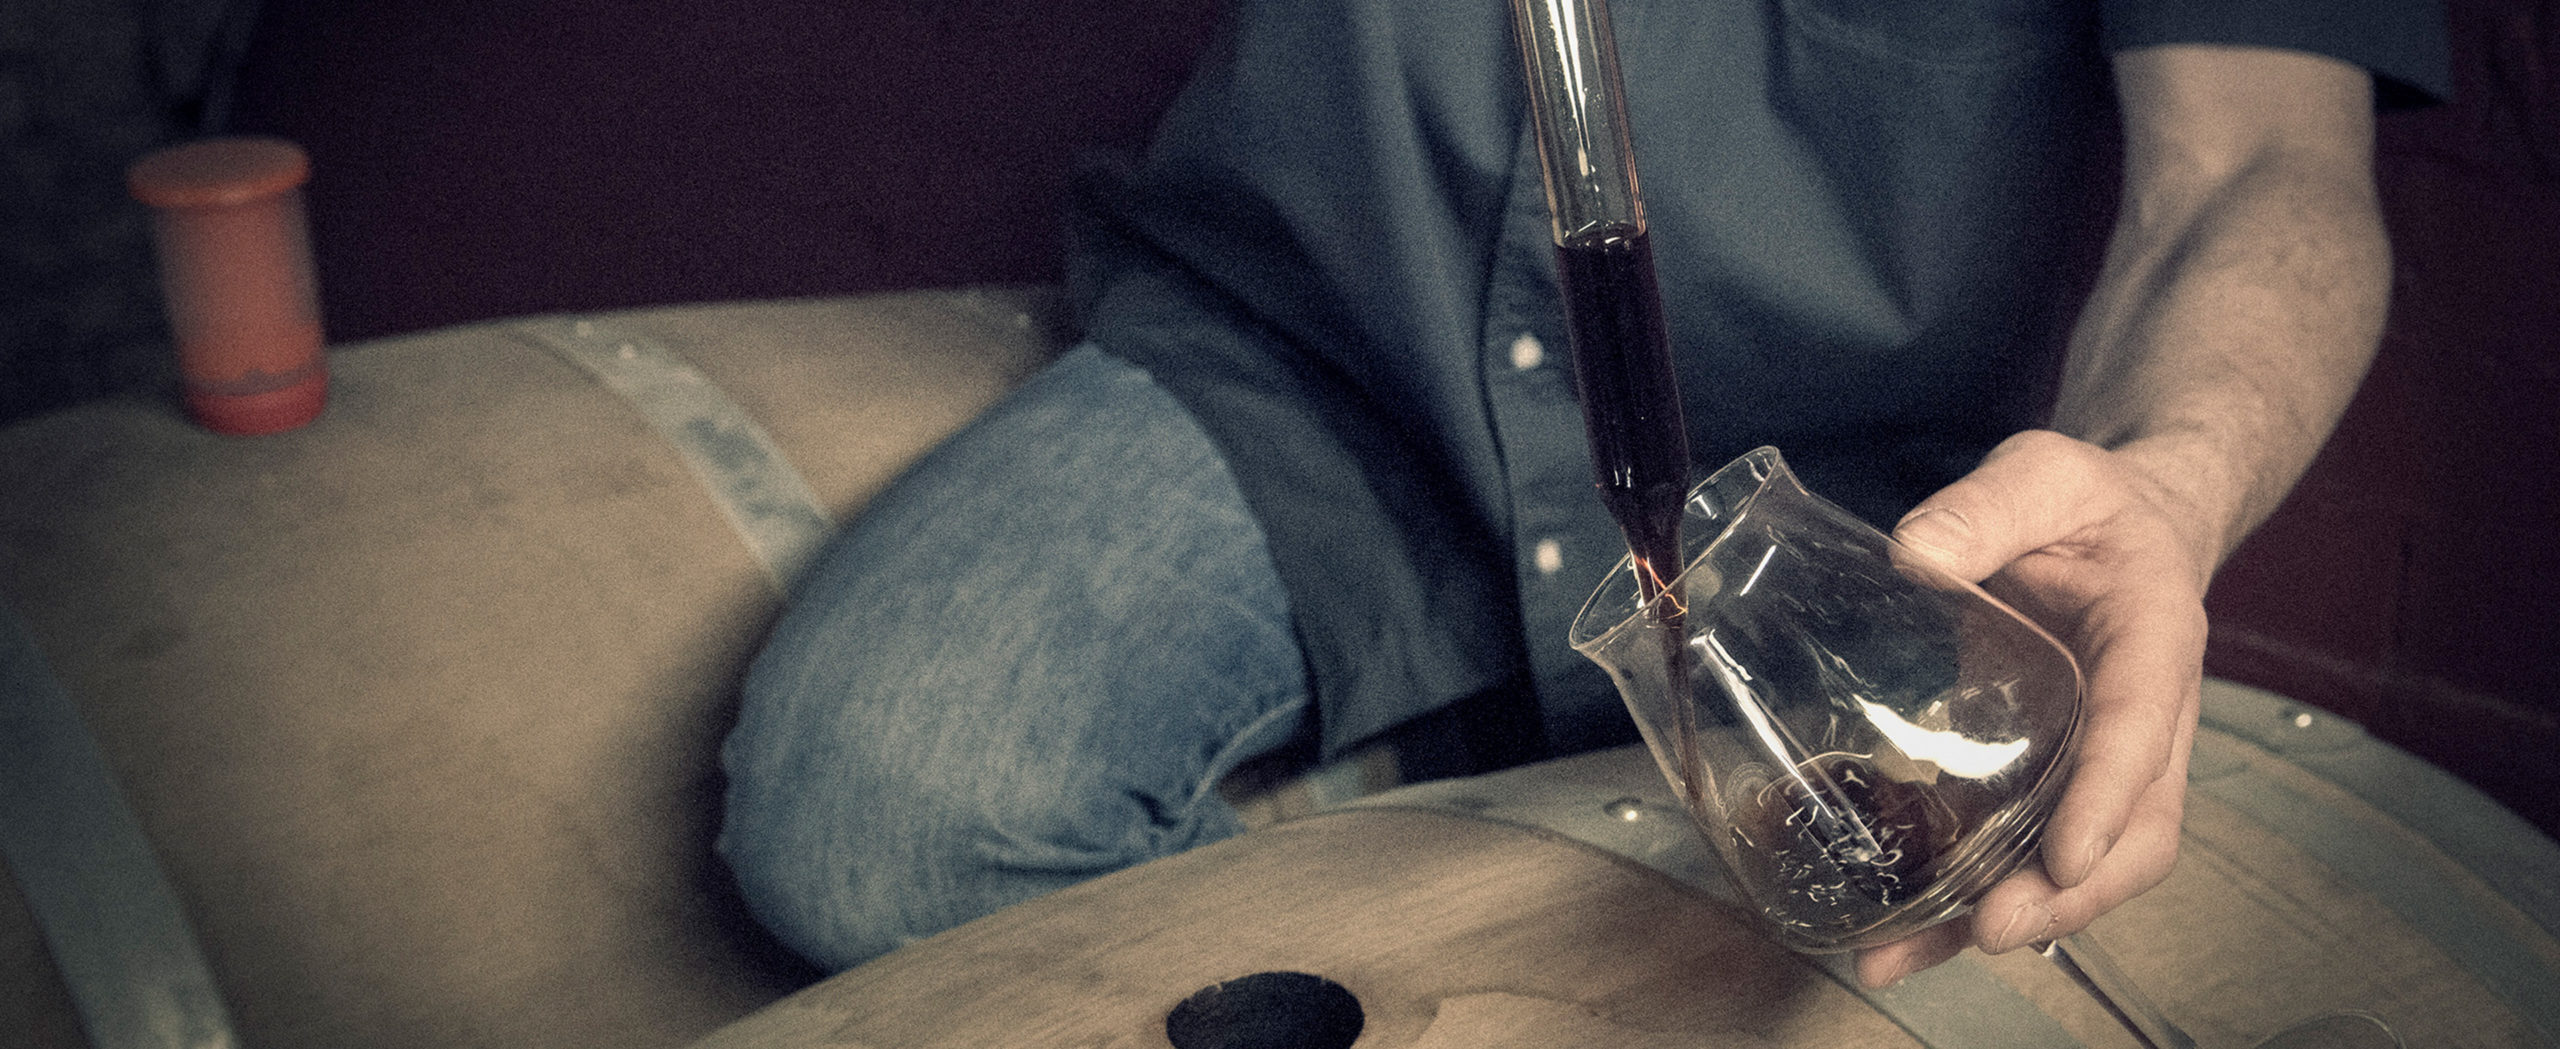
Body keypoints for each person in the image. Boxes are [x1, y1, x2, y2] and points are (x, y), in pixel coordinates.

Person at [717, 0, 2449, 988]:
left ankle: (1390, 763)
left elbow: (2259, 159)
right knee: (878, 813)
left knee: (1895, 943)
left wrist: (2169, 482)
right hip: (1318, 348)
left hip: (1824, 496)